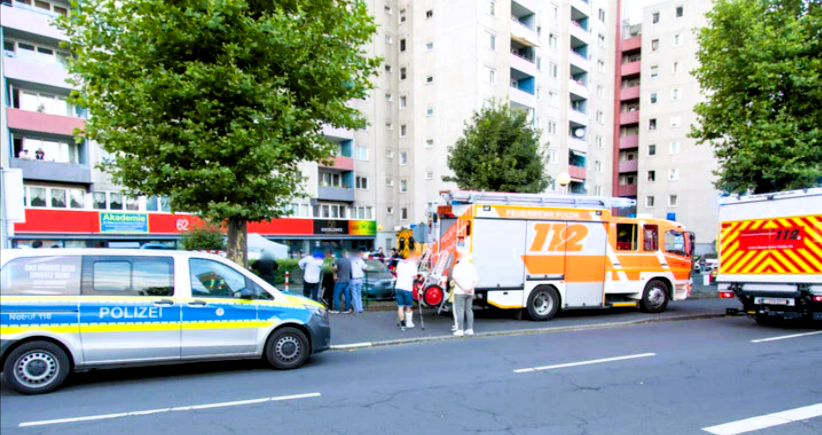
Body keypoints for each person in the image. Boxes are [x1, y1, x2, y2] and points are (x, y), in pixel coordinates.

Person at [451, 251, 479, 337]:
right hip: (470, 292)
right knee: (469, 310)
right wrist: (470, 288)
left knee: (459, 310)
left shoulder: (457, 267)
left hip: (460, 292)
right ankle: (470, 329)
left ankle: (460, 330)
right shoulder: (472, 267)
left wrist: (463, 288)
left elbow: (455, 279)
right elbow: (476, 279)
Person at [394, 252, 419, 330]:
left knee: (400, 306)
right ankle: (409, 322)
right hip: (407, 288)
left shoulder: (399, 263)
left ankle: (402, 324)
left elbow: (397, 274)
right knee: (408, 306)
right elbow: (415, 277)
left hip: (398, 287)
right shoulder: (412, 264)